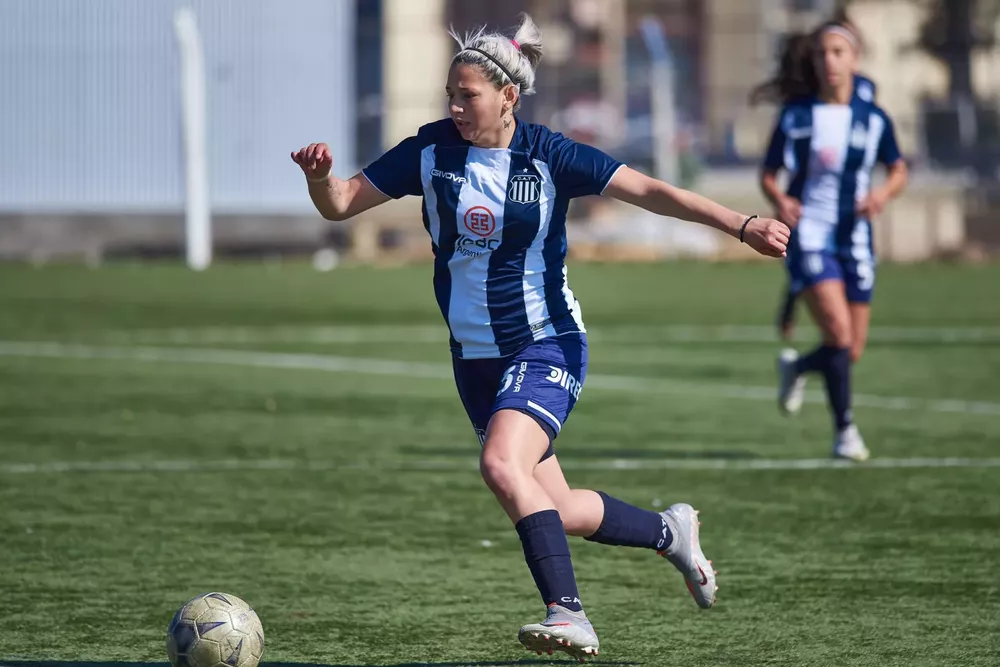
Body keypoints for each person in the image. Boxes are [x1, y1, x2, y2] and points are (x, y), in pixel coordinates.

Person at [291, 14, 788, 661]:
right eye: (450, 94)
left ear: (508, 98)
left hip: (546, 342)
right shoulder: (430, 151)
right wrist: (317, 177)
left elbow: (652, 191)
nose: (455, 106)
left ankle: (569, 612)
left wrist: (740, 223)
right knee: (556, 504)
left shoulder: (549, 154)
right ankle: (670, 529)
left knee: (501, 465)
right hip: (473, 361)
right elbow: (342, 201)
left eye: (466, 95)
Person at [752, 18, 908, 461]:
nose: (829, 61)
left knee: (850, 349)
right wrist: (781, 199)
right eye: (821, 54)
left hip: (855, 238)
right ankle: (845, 432)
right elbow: (768, 174)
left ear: (855, 58)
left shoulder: (874, 119)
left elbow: (898, 168)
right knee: (838, 333)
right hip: (810, 237)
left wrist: (882, 194)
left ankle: (799, 366)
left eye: (838, 52)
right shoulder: (798, 116)